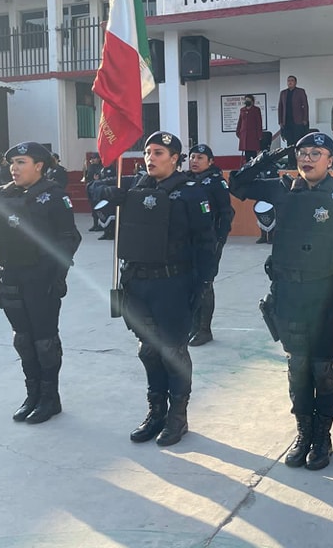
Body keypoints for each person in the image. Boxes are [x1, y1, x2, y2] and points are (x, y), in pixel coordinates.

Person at [229, 132, 333, 471]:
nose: (307, 158)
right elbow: (238, 183)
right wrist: (272, 155)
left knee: (322, 368)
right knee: (297, 367)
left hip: (328, 295)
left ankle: (323, 435)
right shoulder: (282, 188)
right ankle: (303, 432)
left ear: (331, 159)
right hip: (289, 295)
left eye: (315, 153)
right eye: (302, 153)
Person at [89, 132, 217, 446]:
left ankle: (178, 417)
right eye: (148, 152)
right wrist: (104, 186)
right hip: (136, 283)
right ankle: (155, 412)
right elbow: (94, 192)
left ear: (175, 158)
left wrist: (203, 283)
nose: (150, 157)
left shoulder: (191, 193)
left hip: (172, 283)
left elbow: (207, 242)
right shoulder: (134, 186)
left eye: (159, 152)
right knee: (148, 351)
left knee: (172, 351)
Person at [0, 142, 81, 424]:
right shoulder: (4, 194)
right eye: (12, 164)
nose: (14, 169)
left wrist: (57, 274)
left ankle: (49, 398)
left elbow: (69, 238)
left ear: (39, 165)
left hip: (40, 277)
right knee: (23, 339)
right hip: (10, 275)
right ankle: (32, 394)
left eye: (21, 162)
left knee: (44, 340)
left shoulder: (53, 196)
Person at [185, 143, 235, 346]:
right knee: (189, 282)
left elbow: (227, 213)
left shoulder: (216, 182)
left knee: (205, 283)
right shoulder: (187, 180)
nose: (195, 161)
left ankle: (204, 330)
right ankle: (193, 326)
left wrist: (219, 240)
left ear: (210, 162)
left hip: (209, 242)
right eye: (192, 157)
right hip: (188, 241)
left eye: (200, 158)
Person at [277, 75, 310, 148]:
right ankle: (291, 159)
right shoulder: (283, 93)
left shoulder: (300, 91)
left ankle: (298, 159)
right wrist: (280, 121)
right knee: (290, 145)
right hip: (287, 122)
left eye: (292, 80)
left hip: (298, 122)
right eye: (288, 81)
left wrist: (305, 119)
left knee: (298, 143)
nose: (290, 82)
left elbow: (305, 106)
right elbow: (280, 107)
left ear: (295, 82)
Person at [236, 94, 263, 162]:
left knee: (253, 153)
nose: (247, 101)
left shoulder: (256, 110)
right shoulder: (242, 110)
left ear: (252, 101)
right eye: (246, 100)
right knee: (247, 153)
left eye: (249, 100)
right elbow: (240, 122)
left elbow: (259, 123)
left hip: (253, 135)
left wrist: (259, 135)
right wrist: (238, 132)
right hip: (244, 135)